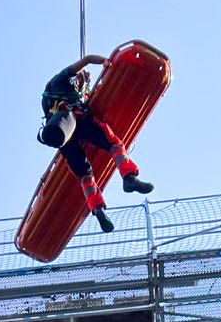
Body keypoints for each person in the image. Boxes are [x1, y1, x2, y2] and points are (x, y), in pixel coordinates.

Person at [40, 54, 153, 234]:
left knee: (85, 174)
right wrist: (105, 62)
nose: (82, 82)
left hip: (64, 136)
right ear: (76, 77)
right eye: (82, 78)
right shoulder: (62, 79)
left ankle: (98, 209)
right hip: (79, 121)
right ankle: (129, 178)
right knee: (114, 144)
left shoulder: (50, 96)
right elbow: (87, 59)